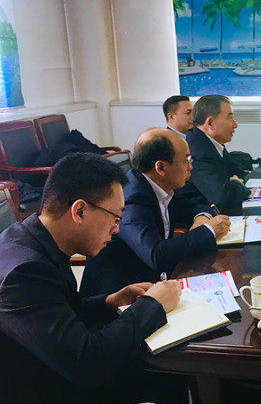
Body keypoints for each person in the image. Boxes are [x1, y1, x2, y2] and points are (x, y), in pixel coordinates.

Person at [0, 153, 186, 404]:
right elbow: (89, 362)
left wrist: (109, 301)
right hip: (45, 387)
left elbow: (58, 313)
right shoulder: (24, 272)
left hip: (58, 366)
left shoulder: (36, 238)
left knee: (171, 369)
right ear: (79, 211)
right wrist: (153, 305)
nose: (117, 229)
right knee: (171, 373)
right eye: (115, 217)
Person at [80, 129, 230, 299]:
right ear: (161, 167)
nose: (191, 167)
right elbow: (156, 255)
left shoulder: (164, 186)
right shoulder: (132, 199)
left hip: (152, 283)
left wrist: (202, 219)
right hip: (117, 298)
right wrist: (208, 231)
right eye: (186, 161)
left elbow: (197, 205)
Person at [183, 94, 251, 215]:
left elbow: (240, 174)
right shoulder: (199, 151)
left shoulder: (211, 143)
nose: (235, 125)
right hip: (199, 218)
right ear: (210, 122)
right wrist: (236, 182)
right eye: (229, 118)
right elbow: (224, 197)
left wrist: (234, 182)